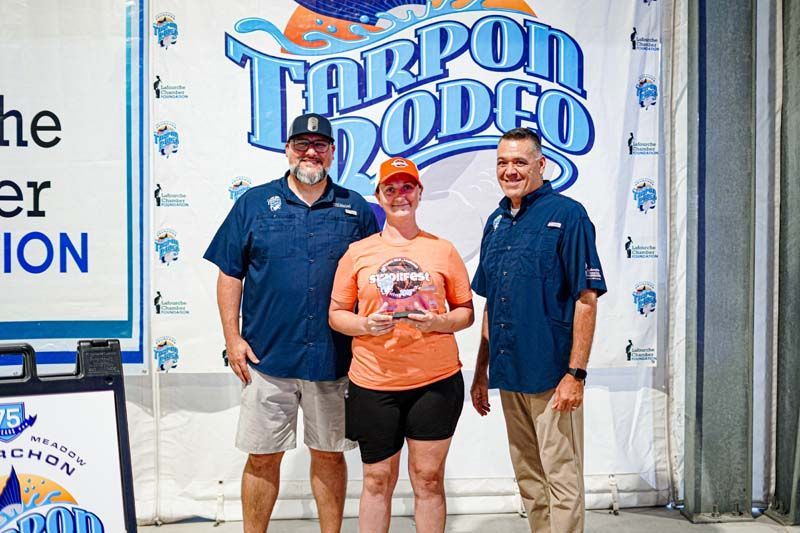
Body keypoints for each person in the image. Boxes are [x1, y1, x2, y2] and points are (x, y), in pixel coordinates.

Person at [204, 112, 379, 533]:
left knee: (329, 454)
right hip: (267, 357)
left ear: (332, 153)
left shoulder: (356, 209)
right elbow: (230, 273)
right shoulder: (253, 204)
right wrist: (232, 338)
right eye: (302, 144)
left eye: (319, 145)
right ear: (288, 150)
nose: (310, 152)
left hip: (332, 358)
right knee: (262, 457)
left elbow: (373, 278)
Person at [470, 128, 607, 533]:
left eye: (520, 161)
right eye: (502, 162)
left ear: (541, 164)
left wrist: (575, 374)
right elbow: (491, 303)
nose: (510, 170)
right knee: (529, 478)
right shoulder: (496, 223)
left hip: (552, 376)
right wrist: (481, 371)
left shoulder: (568, 215)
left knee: (561, 477)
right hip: (509, 373)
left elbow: (586, 298)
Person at [329, 157, 474, 533]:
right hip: (373, 384)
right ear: (378, 196)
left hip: (435, 383)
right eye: (390, 188)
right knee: (377, 480)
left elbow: (466, 312)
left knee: (428, 479)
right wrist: (365, 325)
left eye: (407, 187)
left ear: (420, 193)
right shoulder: (358, 253)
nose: (399, 195)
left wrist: (440, 322)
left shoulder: (442, 250)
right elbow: (336, 314)